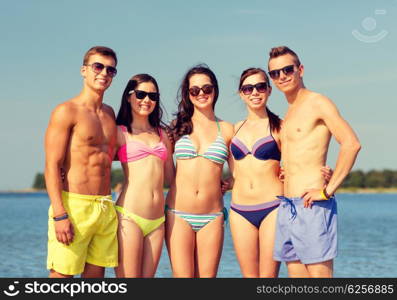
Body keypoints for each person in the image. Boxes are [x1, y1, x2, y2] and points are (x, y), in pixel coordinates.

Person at [227, 67, 332, 278]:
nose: (254, 92)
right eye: (248, 88)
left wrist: (323, 175)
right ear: (241, 93)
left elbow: (302, 158)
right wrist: (225, 183)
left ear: (268, 90)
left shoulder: (281, 127)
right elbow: (233, 169)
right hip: (239, 210)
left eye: (260, 87)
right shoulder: (234, 128)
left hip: (272, 208)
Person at [267, 46, 361, 278]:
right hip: (287, 205)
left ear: (301, 69)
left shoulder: (318, 103)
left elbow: (351, 144)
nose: (282, 76)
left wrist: (327, 190)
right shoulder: (288, 114)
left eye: (287, 69)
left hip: (312, 206)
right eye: (275, 73)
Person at [44, 46, 119, 278]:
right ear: (84, 70)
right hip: (74, 207)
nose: (104, 73)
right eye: (98, 66)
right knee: (61, 280)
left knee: (95, 283)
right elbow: (51, 166)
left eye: (110, 69)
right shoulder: (66, 111)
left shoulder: (110, 113)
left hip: (105, 206)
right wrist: (59, 214)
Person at [165, 64, 234, 277]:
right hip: (178, 214)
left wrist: (230, 183)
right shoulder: (176, 127)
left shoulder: (228, 129)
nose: (201, 94)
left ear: (215, 90)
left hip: (212, 216)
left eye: (206, 88)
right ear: (188, 94)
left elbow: (240, 171)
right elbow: (161, 168)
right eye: (195, 90)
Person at [113, 74, 175, 277]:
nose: (146, 100)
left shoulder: (163, 134)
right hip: (128, 216)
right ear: (129, 97)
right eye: (141, 94)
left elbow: (172, 179)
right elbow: (95, 161)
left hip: (157, 221)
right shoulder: (119, 133)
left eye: (152, 96)